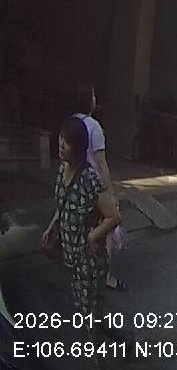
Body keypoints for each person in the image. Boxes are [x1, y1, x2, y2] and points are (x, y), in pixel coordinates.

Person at [42, 116, 122, 326]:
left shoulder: (89, 179)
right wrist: (52, 227)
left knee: (89, 311)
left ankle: (99, 342)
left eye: (68, 142)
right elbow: (64, 203)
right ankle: (104, 335)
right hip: (71, 255)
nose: (61, 145)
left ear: (78, 148)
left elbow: (114, 216)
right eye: (61, 137)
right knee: (83, 306)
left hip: (89, 260)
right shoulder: (62, 170)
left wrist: (91, 238)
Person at [72, 82, 127, 292]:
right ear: (90, 101)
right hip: (94, 186)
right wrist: (110, 193)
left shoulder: (70, 123)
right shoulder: (93, 126)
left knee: (82, 227)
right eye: (93, 96)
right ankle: (106, 276)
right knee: (109, 225)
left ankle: (81, 268)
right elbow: (101, 163)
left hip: (75, 184)